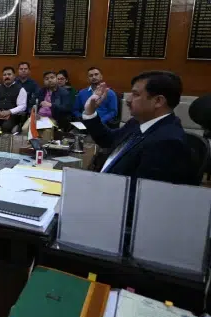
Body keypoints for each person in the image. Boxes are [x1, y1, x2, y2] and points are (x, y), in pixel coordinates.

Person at [82, 72, 198, 217]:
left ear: (158, 101)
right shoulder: (138, 122)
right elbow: (109, 140)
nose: (128, 100)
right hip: (104, 192)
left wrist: (90, 197)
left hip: (113, 211)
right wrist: (90, 111)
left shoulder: (167, 143)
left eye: (136, 94)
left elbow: (140, 201)